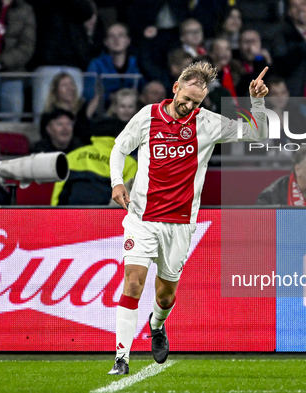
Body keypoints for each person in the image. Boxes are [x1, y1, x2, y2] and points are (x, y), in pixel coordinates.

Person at [107, 61, 269, 375]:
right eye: (186, 98)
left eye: (196, 102)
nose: (189, 106)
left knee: (166, 295)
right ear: (175, 88)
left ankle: (157, 324)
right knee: (133, 283)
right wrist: (116, 181)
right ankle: (121, 358)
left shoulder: (207, 123)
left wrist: (257, 101)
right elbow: (119, 148)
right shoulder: (147, 116)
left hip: (180, 224)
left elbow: (257, 133)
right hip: (142, 218)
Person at [50, 112, 137, 206]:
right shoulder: (128, 163)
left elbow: (58, 191)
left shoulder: (72, 156)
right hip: (105, 218)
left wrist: (55, 215)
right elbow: (128, 198)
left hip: (72, 216)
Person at [83, 23, 144, 107]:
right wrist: (110, 96)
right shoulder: (96, 64)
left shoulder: (138, 63)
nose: (116, 39)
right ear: (106, 42)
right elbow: (89, 93)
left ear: (128, 41)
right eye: (111, 36)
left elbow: (146, 88)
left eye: (121, 35)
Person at [42, 72, 96, 145]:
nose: (69, 88)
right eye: (64, 85)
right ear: (56, 91)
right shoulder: (50, 114)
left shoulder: (83, 109)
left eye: (71, 84)